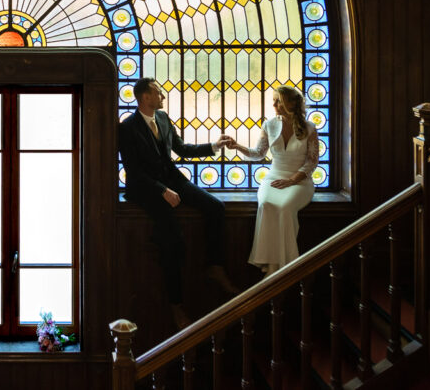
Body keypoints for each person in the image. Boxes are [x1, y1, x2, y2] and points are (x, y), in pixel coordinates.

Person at [118, 77, 241, 329]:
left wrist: (213, 146)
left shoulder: (163, 119)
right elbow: (133, 171)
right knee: (173, 241)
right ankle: (176, 306)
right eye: (158, 91)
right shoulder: (127, 128)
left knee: (215, 207)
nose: (162, 95)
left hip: (173, 180)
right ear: (144, 97)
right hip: (145, 190)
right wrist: (162, 190)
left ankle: (215, 267)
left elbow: (182, 149)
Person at [231, 86, 318, 277]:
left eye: (278, 100)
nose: (274, 104)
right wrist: (237, 146)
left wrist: (292, 179)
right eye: (274, 100)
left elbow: (312, 162)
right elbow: (258, 154)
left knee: (286, 207)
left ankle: (286, 268)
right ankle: (271, 267)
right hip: (273, 177)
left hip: (300, 182)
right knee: (267, 204)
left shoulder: (310, 128)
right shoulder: (269, 125)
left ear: (292, 103)